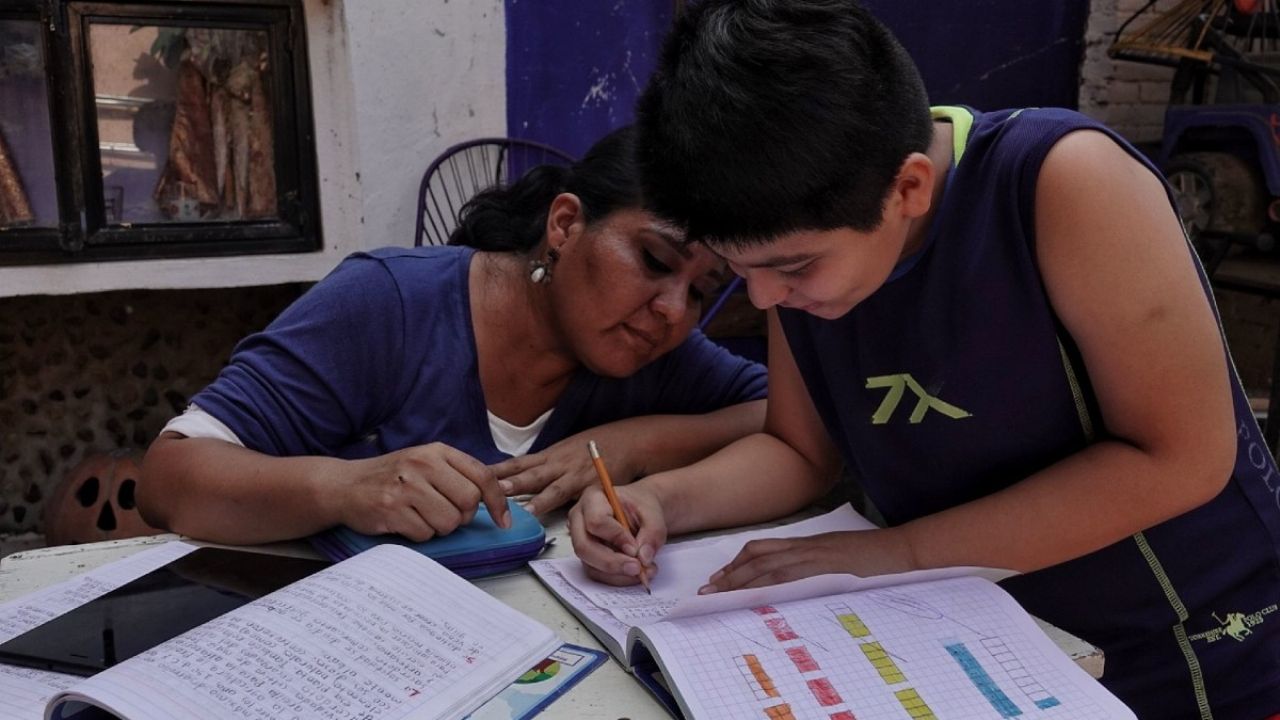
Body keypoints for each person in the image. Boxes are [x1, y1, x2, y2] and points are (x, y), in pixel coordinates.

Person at [567, 3, 1280, 718]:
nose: (765, 295)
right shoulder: (800, 243)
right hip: (979, 632)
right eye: (738, 269)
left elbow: (1182, 458)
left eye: (793, 266)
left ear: (910, 188)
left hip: (1189, 642)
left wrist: (899, 553)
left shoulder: (1059, 181)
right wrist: (661, 499)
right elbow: (795, 450)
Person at [139, 126, 766, 546]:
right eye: (655, 260)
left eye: (703, 290)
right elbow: (168, 480)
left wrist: (633, 444)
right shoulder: (390, 304)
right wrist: (345, 487)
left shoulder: (658, 353)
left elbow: (783, 421)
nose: (672, 311)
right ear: (566, 225)